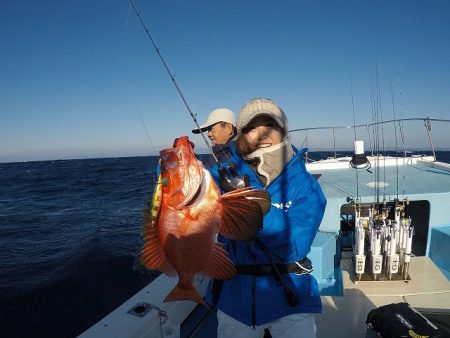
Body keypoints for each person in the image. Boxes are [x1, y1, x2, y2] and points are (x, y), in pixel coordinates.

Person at [208, 98, 327, 338]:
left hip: (291, 298)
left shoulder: (305, 185)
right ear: (241, 135)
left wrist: (256, 205)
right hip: (234, 298)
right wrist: (174, 173)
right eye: (252, 127)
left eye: (270, 124)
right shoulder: (221, 174)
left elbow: (295, 246)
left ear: (283, 132)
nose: (262, 133)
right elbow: (191, 197)